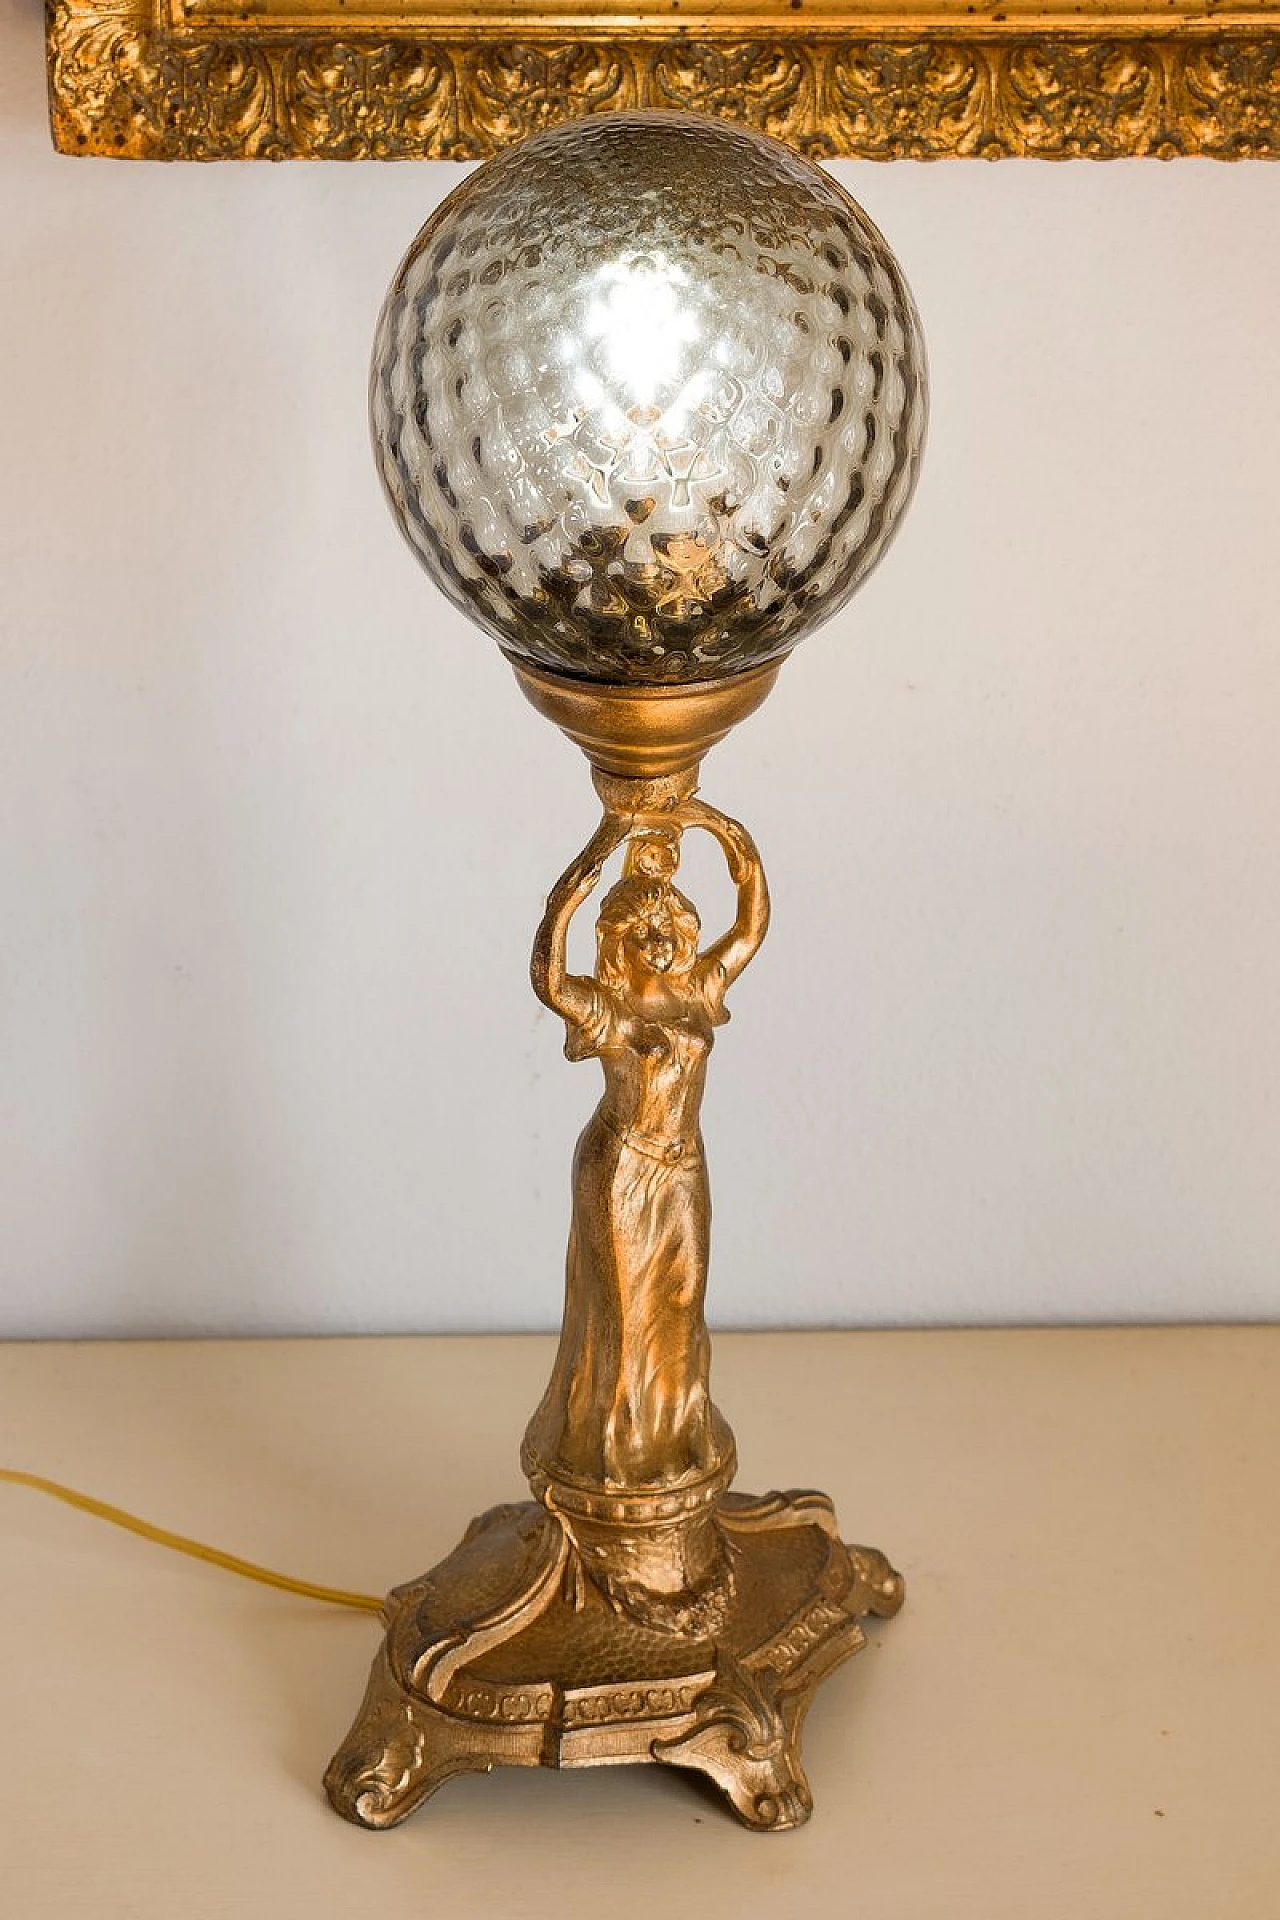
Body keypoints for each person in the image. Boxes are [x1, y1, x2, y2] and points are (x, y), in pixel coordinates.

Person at [524, 791, 769, 1497]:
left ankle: (674, 1443)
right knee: (624, 1314)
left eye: (670, 927)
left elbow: (751, 928)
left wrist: (729, 835)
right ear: (620, 942)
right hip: (622, 1164)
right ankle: (610, 1459)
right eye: (645, 933)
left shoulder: (696, 990)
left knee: (683, 1298)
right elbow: (546, 979)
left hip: (682, 1165)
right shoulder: (610, 1007)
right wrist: (584, 874)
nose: (661, 941)